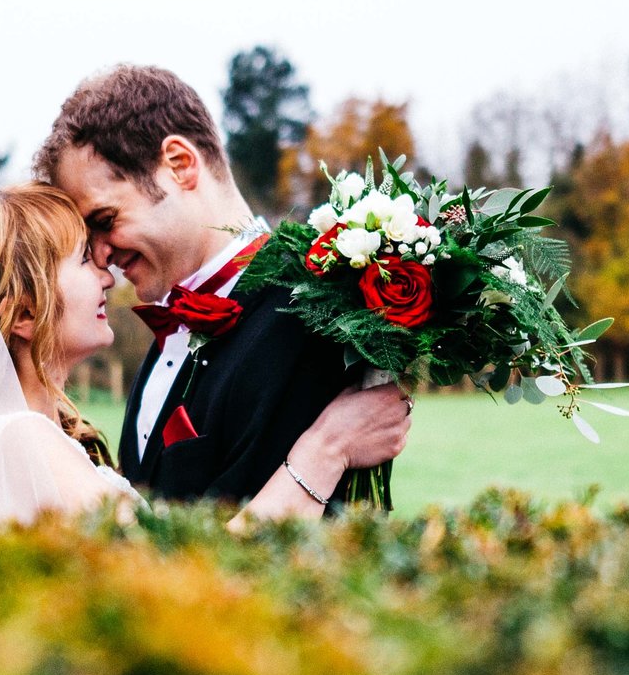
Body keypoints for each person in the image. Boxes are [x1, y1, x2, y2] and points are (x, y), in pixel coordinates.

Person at [0, 181, 407, 522]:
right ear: (22, 313)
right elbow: (185, 589)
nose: (108, 277)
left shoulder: (14, 434)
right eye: (82, 261)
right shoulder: (19, 441)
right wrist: (326, 451)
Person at [38, 63, 410, 510]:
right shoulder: (166, 330)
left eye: (105, 220)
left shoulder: (311, 313)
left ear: (179, 165)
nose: (100, 256)